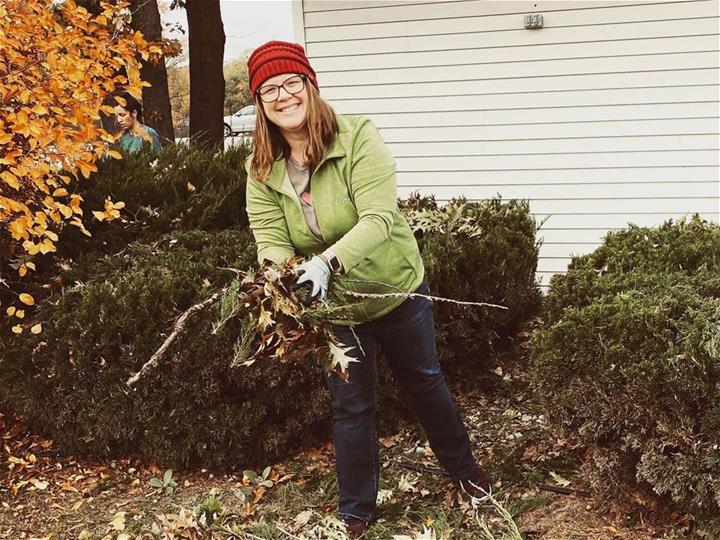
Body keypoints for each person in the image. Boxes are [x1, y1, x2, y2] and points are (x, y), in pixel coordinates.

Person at [244, 41, 490, 538]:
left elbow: (379, 217)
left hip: (393, 287)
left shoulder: (357, 136)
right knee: (351, 403)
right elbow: (269, 239)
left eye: (292, 83)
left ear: (310, 87)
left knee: (424, 380)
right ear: (259, 103)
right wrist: (280, 278)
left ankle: (468, 476)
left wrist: (326, 262)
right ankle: (356, 511)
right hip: (334, 306)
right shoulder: (262, 170)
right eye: (270, 89)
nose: (283, 95)